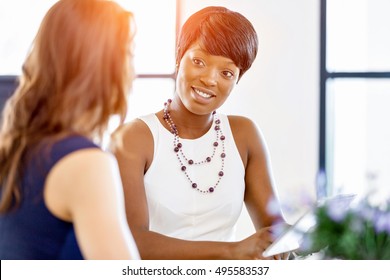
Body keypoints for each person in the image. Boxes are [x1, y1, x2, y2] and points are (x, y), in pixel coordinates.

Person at [111, 6, 288, 260]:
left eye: (226, 72)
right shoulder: (134, 138)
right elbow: (132, 242)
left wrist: (307, 233)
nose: (209, 79)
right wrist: (232, 251)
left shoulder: (244, 134)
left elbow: (274, 232)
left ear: (237, 79)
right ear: (178, 58)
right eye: (198, 61)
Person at [0, 0, 140, 260]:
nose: (133, 70)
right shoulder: (87, 164)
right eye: (129, 55)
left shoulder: (14, 146)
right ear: (107, 65)